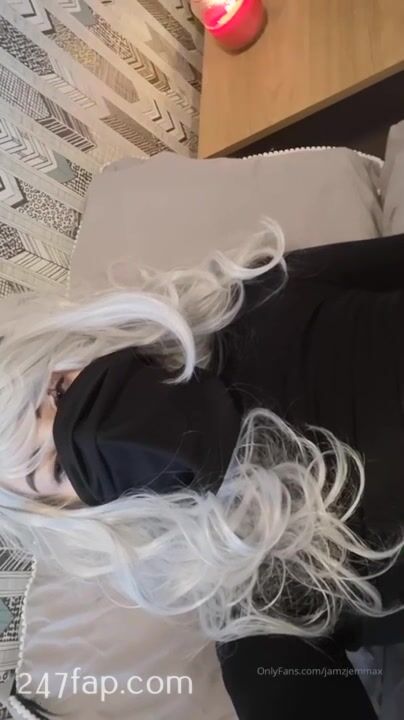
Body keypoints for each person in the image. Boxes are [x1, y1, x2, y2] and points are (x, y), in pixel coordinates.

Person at [1, 221, 404, 720]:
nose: (85, 428)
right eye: (61, 466)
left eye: (60, 392)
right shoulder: (257, 606)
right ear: (78, 514)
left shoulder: (256, 296)